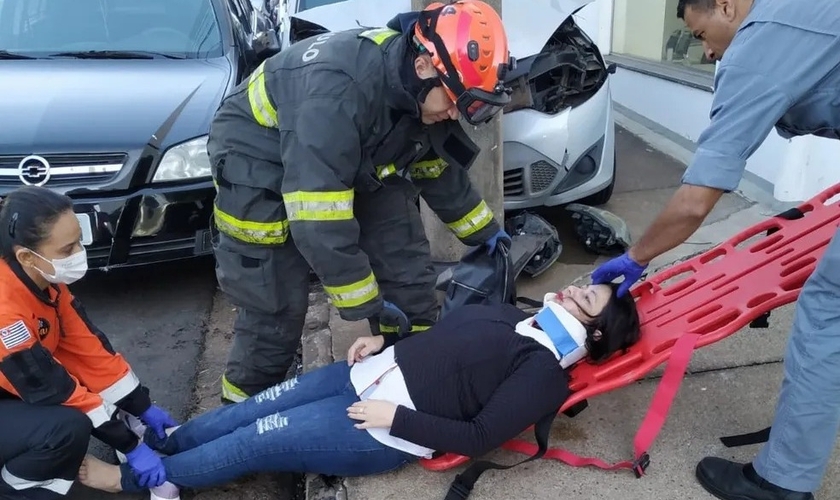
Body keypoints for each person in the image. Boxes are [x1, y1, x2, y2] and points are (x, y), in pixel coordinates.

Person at [590, 0, 840, 499]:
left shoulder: (759, 43)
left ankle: (781, 483)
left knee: (829, 309)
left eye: (702, 33)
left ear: (727, 5)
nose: (704, 51)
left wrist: (635, 257)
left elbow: (694, 201)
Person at [207, 0, 515, 405]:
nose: (455, 113)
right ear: (424, 67)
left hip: (348, 152)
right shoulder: (337, 92)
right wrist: (368, 304)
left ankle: (407, 374)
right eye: (455, 100)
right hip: (260, 163)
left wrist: (488, 236)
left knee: (406, 269)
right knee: (276, 309)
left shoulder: (416, 90)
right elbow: (318, 221)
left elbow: (435, 168)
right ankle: (241, 420)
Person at [74, 282, 641, 495]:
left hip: (383, 426)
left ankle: (127, 480)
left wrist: (394, 420)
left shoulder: (544, 373)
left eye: (585, 299)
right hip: (360, 375)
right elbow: (442, 339)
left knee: (254, 443)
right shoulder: (518, 318)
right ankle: (167, 449)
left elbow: (479, 436)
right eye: (584, 286)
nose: (571, 288)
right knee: (245, 413)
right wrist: (385, 345)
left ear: (592, 334)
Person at [0, 186, 180, 499]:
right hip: (15, 389)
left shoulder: (43, 282)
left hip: (15, 387)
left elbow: (87, 350)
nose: (79, 255)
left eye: (78, 242)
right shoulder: (4, 310)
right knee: (66, 428)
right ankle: (14, 486)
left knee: (84, 390)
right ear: (27, 256)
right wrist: (130, 445)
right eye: (67, 250)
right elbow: (50, 387)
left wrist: (141, 406)